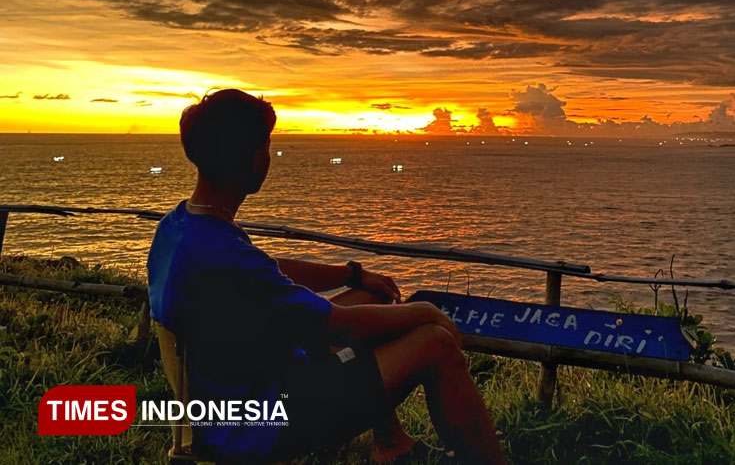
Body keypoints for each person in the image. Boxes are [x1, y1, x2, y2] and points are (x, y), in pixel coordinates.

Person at [147, 89, 506, 465]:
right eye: (266, 145)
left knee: (373, 299)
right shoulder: (220, 255)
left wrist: (352, 276)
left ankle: (392, 445)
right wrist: (427, 311)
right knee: (435, 344)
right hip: (260, 424)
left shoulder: (181, 228)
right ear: (254, 158)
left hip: (232, 396)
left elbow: (265, 269)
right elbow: (343, 327)